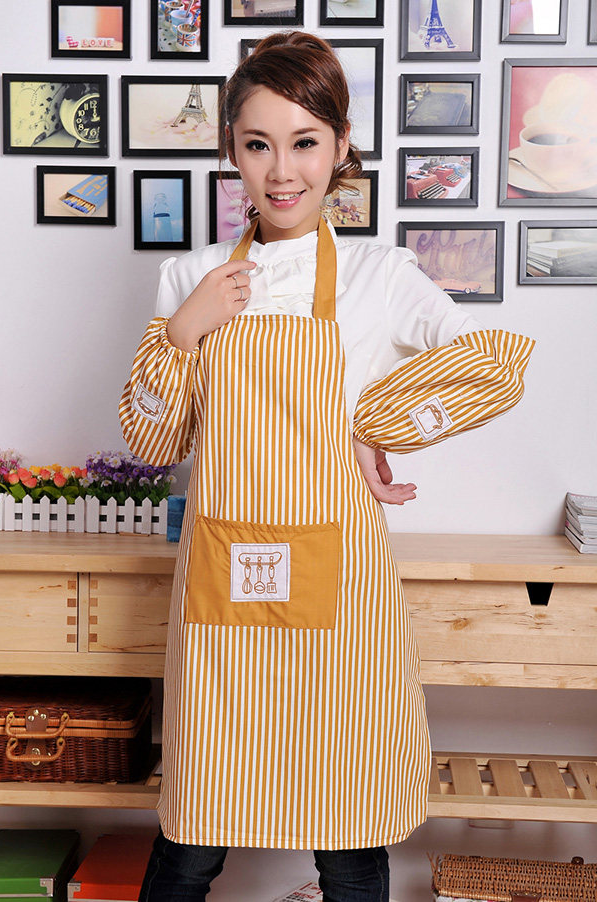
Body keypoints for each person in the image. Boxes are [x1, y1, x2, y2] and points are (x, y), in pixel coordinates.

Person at [119, 31, 534, 902]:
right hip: (222, 602)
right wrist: (185, 329)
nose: (282, 171)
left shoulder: (379, 275)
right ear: (231, 149)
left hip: (340, 597)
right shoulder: (193, 276)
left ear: (341, 145)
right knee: (194, 837)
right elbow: (154, 444)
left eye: (305, 142)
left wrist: (373, 427)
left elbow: (488, 362)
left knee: (347, 841)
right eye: (258, 144)